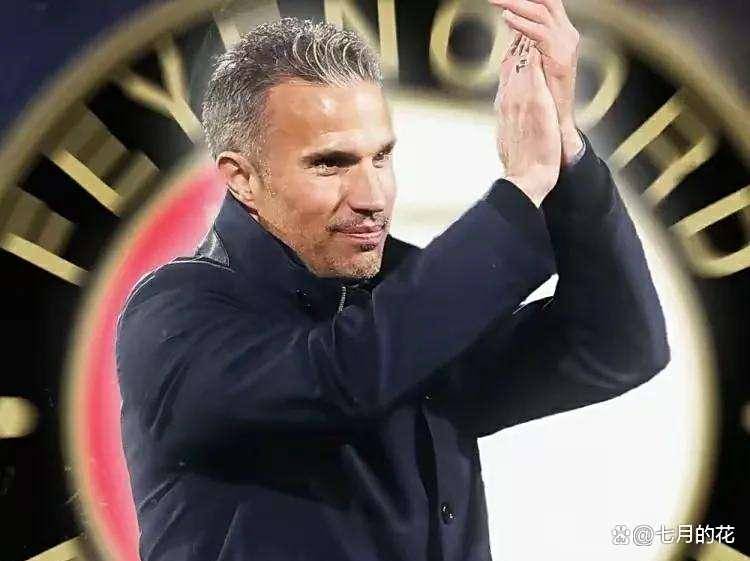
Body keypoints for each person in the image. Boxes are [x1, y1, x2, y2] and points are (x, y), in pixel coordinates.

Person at [115, 5, 670, 561]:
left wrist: (564, 150)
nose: (373, 197)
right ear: (242, 179)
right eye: (331, 164)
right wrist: (521, 191)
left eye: (381, 157)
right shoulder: (173, 315)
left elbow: (614, 347)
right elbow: (343, 378)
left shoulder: (403, 293)